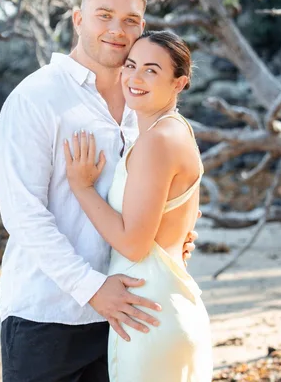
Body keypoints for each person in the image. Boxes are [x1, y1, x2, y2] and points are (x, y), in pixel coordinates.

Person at [0, 0, 200, 382]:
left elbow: (159, 188)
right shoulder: (36, 98)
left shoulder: (142, 101)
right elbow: (22, 215)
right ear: (78, 18)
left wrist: (172, 237)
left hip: (128, 316)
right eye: (104, 16)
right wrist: (91, 288)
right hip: (47, 317)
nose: (117, 31)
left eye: (130, 20)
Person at [64, 30, 212, 381]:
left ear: (179, 83)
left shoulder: (158, 141)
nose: (135, 77)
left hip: (147, 314)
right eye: (131, 65)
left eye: (151, 70)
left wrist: (82, 188)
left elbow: (134, 243)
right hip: (161, 303)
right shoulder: (174, 132)